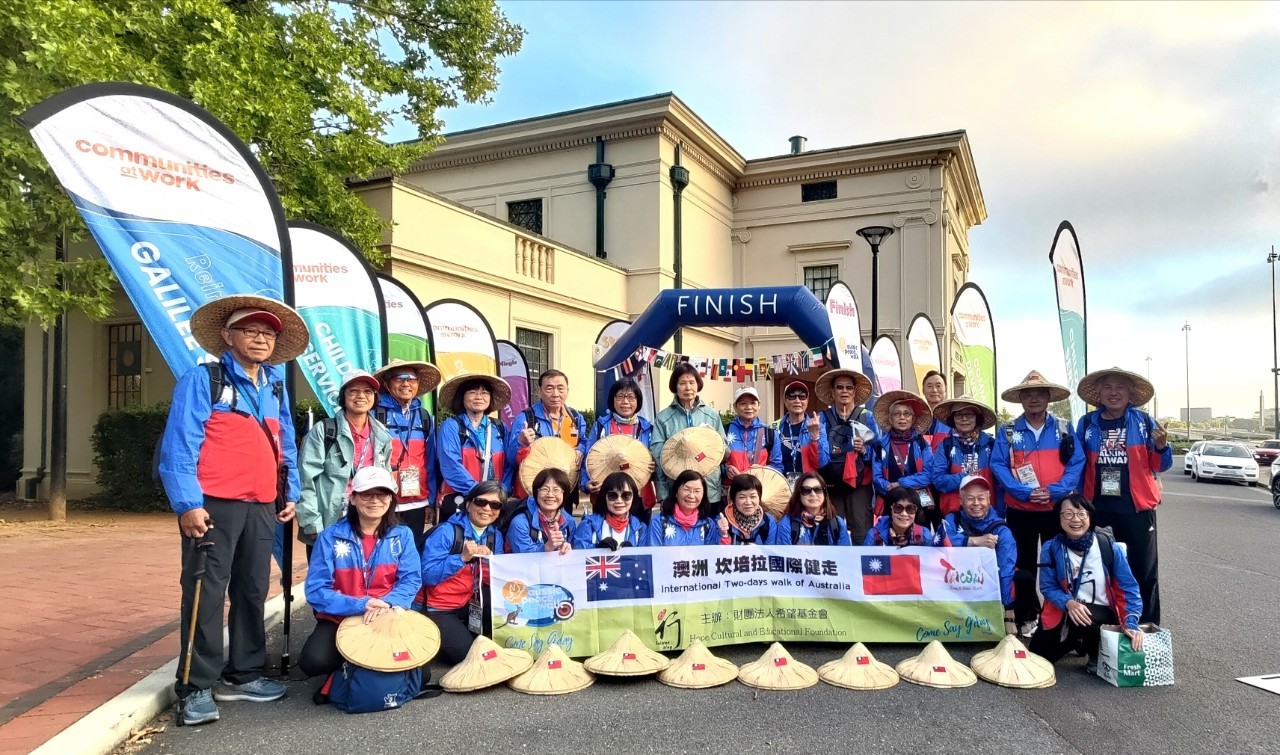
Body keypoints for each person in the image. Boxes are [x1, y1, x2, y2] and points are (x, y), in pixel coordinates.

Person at [158, 295, 307, 726]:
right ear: (228, 335)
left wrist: (289, 493)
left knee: (252, 590)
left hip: (261, 505)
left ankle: (244, 673)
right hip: (213, 505)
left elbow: (284, 443)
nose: (260, 338)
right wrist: (187, 503)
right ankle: (195, 686)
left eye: (268, 333)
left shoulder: (275, 386)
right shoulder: (204, 380)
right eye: (250, 330)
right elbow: (180, 444)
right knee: (205, 592)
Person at [300, 467, 421, 684]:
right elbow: (316, 590)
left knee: (423, 673)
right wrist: (361, 604)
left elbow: (411, 579)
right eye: (366, 494)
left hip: (387, 614)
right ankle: (355, 666)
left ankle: (358, 668)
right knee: (314, 662)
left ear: (391, 498)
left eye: (382, 494)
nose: (375, 501)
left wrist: (387, 604)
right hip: (341, 616)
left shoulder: (402, 535)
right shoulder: (329, 537)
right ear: (353, 498)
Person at [991, 370, 1086, 637]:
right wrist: (1024, 492)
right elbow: (998, 465)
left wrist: (1054, 491)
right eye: (1028, 395)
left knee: (1060, 563)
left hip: (1057, 510)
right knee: (1023, 565)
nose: (1034, 399)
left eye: (1039, 394)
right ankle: (1027, 616)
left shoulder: (1065, 428)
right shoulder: (1008, 430)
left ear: (1048, 398)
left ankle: (1062, 617)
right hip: (1020, 510)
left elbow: (1077, 463)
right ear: (1021, 399)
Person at [1074, 367, 1171, 624]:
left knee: (1143, 572)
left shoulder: (1144, 422)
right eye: (1108, 387)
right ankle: (1100, 629)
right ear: (1099, 393)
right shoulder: (1087, 423)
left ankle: (1146, 628)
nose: (1113, 392)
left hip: (1136, 510)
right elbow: (1077, 462)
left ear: (1130, 393)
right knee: (1097, 568)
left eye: (1120, 387)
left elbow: (1160, 466)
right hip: (1097, 508)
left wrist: (1161, 447)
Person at [1030, 494, 1145, 673]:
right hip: (1066, 610)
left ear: (1090, 517)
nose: (1075, 519)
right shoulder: (1051, 548)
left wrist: (1131, 623)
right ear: (1059, 518)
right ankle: (1075, 640)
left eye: (1081, 513)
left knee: (1087, 615)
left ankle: (1094, 653)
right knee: (1038, 655)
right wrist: (1068, 602)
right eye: (1068, 514)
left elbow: (1129, 587)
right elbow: (1047, 586)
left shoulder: (1108, 547)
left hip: (1101, 614)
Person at [296, 370, 391, 558]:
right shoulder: (324, 431)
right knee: (327, 574)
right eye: (353, 391)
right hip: (329, 522)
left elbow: (387, 479)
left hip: (368, 521)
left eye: (368, 391)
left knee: (363, 573)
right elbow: (305, 479)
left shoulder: (382, 435)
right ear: (343, 396)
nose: (361, 396)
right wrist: (312, 523)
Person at [419, 480, 507, 667]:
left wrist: (489, 561)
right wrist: (461, 558)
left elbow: (497, 579)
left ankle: (454, 637)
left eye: (495, 505)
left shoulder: (494, 536)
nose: (487, 509)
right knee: (468, 657)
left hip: (468, 601)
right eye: (481, 502)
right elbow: (426, 575)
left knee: (505, 626)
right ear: (468, 504)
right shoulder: (446, 532)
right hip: (437, 607)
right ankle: (432, 641)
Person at [372, 358, 442, 552]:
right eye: (399, 378)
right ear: (386, 383)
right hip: (383, 500)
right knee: (383, 553)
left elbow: (430, 462)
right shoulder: (374, 414)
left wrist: (430, 500)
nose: (406, 383)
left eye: (411, 378)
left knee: (411, 552)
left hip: (416, 501)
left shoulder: (424, 417)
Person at [936, 476, 1017, 635]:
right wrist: (971, 541)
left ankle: (1020, 617)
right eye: (970, 499)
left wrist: (1008, 614)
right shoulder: (952, 519)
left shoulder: (1001, 529)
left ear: (989, 499)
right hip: (956, 582)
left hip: (985, 584)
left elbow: (1006, 570)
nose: (976, 503)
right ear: (961, 500)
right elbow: (938, 542)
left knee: (1022, 578)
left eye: (981, 498)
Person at [810, 368, 877, 544]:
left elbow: (879, 453)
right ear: (833, 392)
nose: (844, 391)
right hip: (832, 482)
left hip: (860, 483)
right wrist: (816, 437)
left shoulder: (868, 417)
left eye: (849, 387)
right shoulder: (822, 418)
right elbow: (820, 460)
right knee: (832, 530)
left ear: (855, 391)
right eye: (839, 387)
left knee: (861, 532)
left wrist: (864, 450)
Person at [435, 373, 514, 522]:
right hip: (460, 500)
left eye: (484, 393)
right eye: (472, 392)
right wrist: (479, 494)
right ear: (462, 397)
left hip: (493, 503)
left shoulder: (499, 427)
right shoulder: (451, 426)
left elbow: (509, 464)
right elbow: (450, 465)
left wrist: (503, 490)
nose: (479, 397)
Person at [650, 362, 729, 504]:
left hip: (709, 489)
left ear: (698, 385)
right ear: (675, 386)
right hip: (676, 489)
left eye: (692, 382)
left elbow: (724, 451)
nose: (688, 387)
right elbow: (659, 457)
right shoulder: (663, 418)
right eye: (682, 383)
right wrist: (663, 493)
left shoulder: (711, 415)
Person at [509, 369, 587, 502]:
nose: (555, 394)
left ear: (567, 391)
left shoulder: (575, 418)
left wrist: (581, 449)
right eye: (549, 388)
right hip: (532, 493)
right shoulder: (526, 418)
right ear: (540, 390)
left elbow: (585, 441)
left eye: (560, 388)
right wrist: (520, 442)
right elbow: (510, 459)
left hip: (564, 492)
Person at [581, 377, 655, 508]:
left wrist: (654, 466)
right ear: (612, 399)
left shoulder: (647, 428)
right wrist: (585, 483)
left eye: (631, 397)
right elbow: (587, 458)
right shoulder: (601, 426)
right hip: (607, 495)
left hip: (639, 497)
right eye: (620, 396)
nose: (625, 402)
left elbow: (656, 459)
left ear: (638, 401)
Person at [926, 395, 998, 527]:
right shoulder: (946, 445)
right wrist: (965, 477)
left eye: (969, 414)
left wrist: (1000, 512)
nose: (964, 419)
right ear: (953, 419)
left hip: (986, 513)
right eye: (958, 415)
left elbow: (998, 483)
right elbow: (937, 479)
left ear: (977, 418)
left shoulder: (991, 444)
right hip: (953, 514)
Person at [869, 390, 936, 523]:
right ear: (890, 419)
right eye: (897, 414)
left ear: (913, 419)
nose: (902, 417)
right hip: (891, 500)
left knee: (920, 533)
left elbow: (928, 474)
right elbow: (877, 477)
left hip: (918, 500)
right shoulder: (880, 446)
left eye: (907, 414)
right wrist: (890, 487)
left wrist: (900, 484)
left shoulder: (922, 444)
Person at [505, 468, 577, 554]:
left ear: (564, 494)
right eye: (544, 489)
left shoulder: (569, 522)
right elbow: (523, 557)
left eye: (556, 490)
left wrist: (566, 549)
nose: (550, 495)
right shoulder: (520, 523)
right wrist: (547, 547)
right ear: (536, 493)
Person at [772, 471, 852, 546]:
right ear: (798, 494)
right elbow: (783, 555)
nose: (813, 494)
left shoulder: (837, 524)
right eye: (806, 490)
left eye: (818, 489)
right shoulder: (787, 523)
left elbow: (844, 554)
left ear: (824, 493)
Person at [573, 471, 650, 549]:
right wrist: (597, 547)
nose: (619, 501)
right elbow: (578, 551)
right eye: (613, 495)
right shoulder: (588, 524)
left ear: (634, 498)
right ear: (604, 497)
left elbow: (646, 556)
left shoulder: (641, 529)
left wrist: (633, 552)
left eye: (626, 495)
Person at [723, 386, 781, 491]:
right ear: (735, 407)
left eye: (753, 403)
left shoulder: (770, 433)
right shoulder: (724, 431)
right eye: (743, 403)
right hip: (731, 492)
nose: (749, 407)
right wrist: (725, 470)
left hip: (760, 492)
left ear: (759, 405)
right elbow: (714, 463)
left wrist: (762, 470)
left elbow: (778, 467)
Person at [770, 380, 825, 487]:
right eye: (792, 396)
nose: (797, 400)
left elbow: (821, 463)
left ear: (807, 401)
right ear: (785, 401)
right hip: (780, 487)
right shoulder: (774, 428)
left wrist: (815, 436)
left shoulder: (818, 427)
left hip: (808, 487)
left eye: (802, 396)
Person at [648, 469, 721, 546]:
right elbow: (654, 552)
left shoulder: (708, 525)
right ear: (676, 492)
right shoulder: (658, 522)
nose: (691, 496)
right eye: (686, 490)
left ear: (703, 494)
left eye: (697, 491)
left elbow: (711, 552)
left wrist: (724, 534)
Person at [864, 487, 934, 546]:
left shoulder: (924, 535)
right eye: (898, 508)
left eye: (910, 509)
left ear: (916, 512)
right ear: (890, 510)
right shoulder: (874, 536)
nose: (904, 514)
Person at [718, 473, 773, 544]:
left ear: (759, 498)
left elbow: (771, 549)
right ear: (733, 499)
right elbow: (716, 550)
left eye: (753, 496)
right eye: (742, 497)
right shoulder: (721, 521)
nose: (748, 502)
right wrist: (724, 535)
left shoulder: (768, 521)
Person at [920, 369, 950, 450]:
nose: (934, 390)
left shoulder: (953, 418)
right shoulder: (917, 418)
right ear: (923, 391)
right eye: (929, 386)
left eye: (938, 386)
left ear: (945, 390)